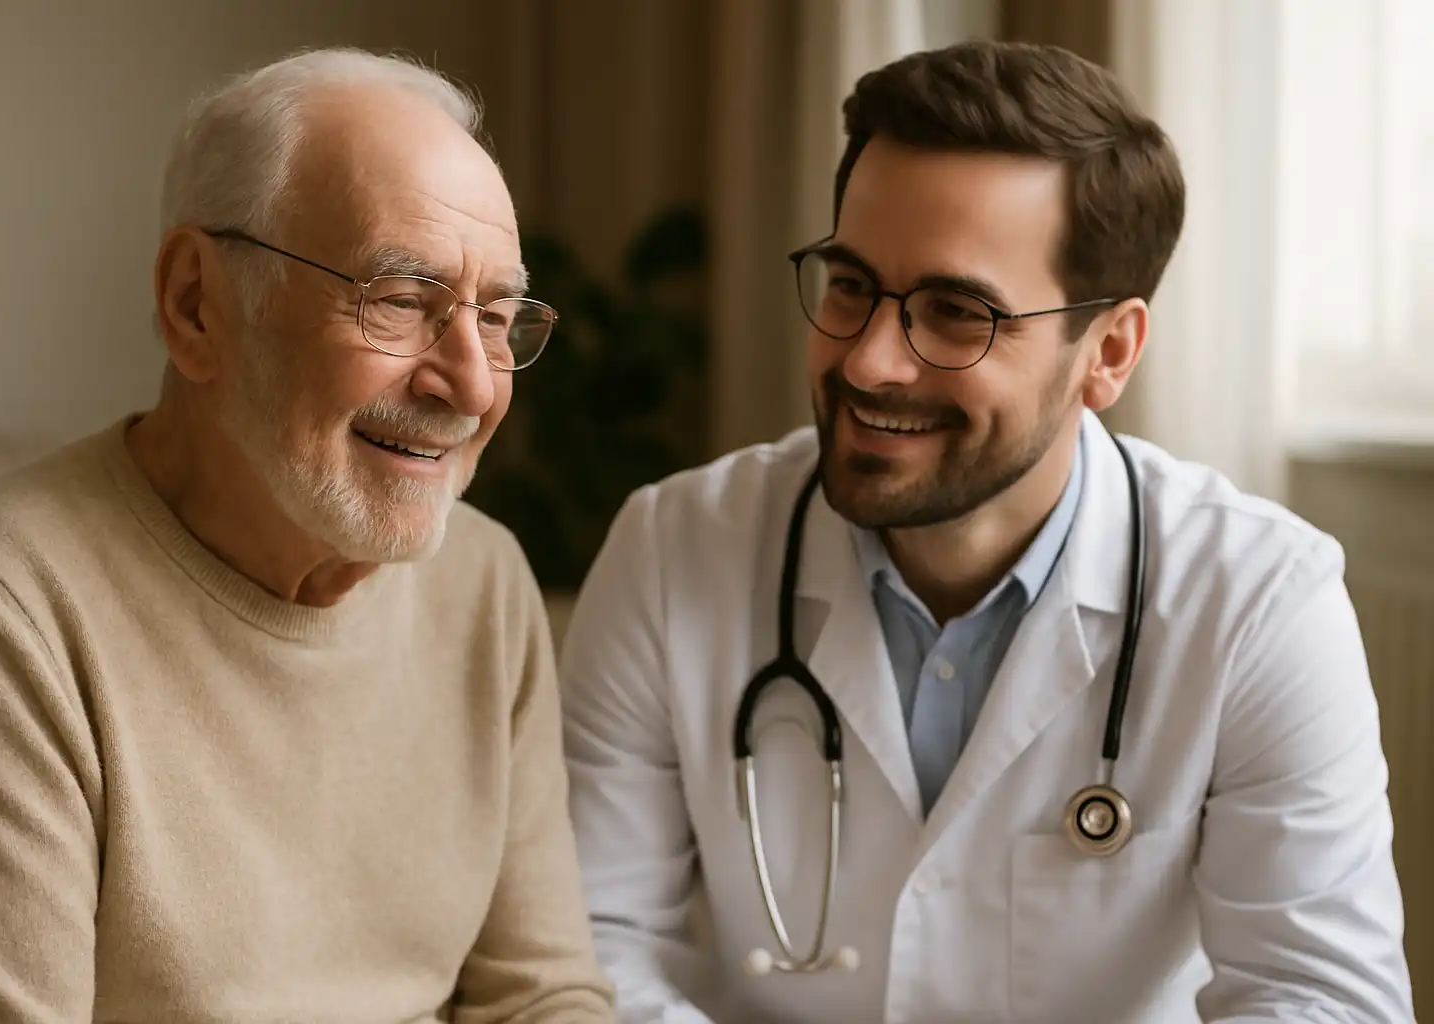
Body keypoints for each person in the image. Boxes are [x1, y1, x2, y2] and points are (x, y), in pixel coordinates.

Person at [559, 40, 1413, 1023]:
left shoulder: (1259, 598)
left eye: (957, 313)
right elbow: (589, 955)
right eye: (849, 286)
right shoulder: (673, 550)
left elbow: (1323, 1000)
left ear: (1109, 351)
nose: (872, 362)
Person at [0, 48, 615, 1022]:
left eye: (496, 317)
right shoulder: (4, 597)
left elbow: (542, 997)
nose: (477, 385)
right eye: (402, 299)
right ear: (197, 304)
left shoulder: (484, 581)